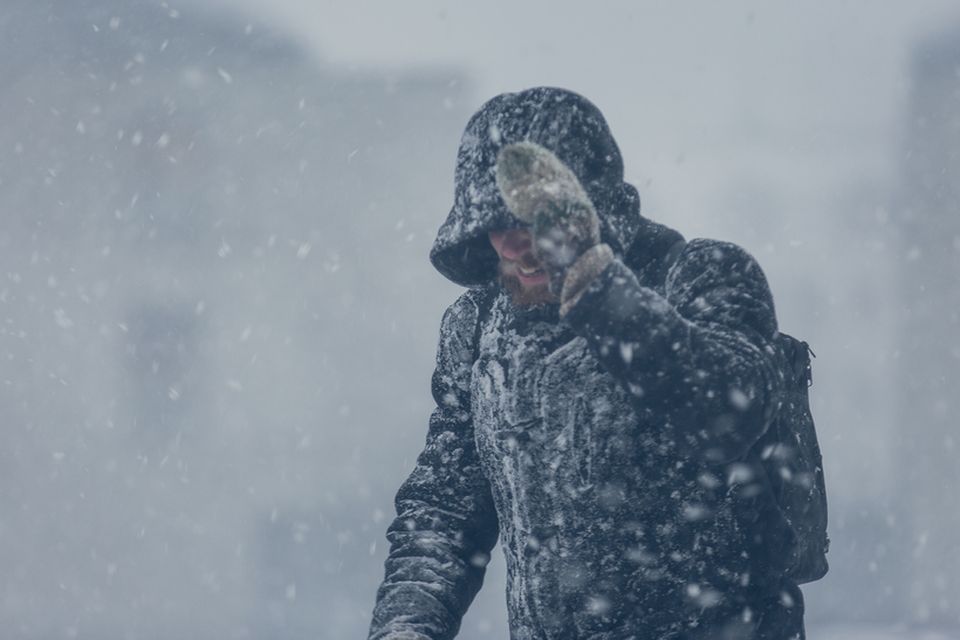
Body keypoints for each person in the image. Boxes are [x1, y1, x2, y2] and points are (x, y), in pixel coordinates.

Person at [368, 87, 808, 640]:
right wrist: (406, 628)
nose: (517, 247)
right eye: (500, 227)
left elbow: (729, 412)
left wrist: (600, 294)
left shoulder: (702, 277)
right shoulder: (477, 327)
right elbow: (445, 511)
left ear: (593, 212)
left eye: (538, 226)